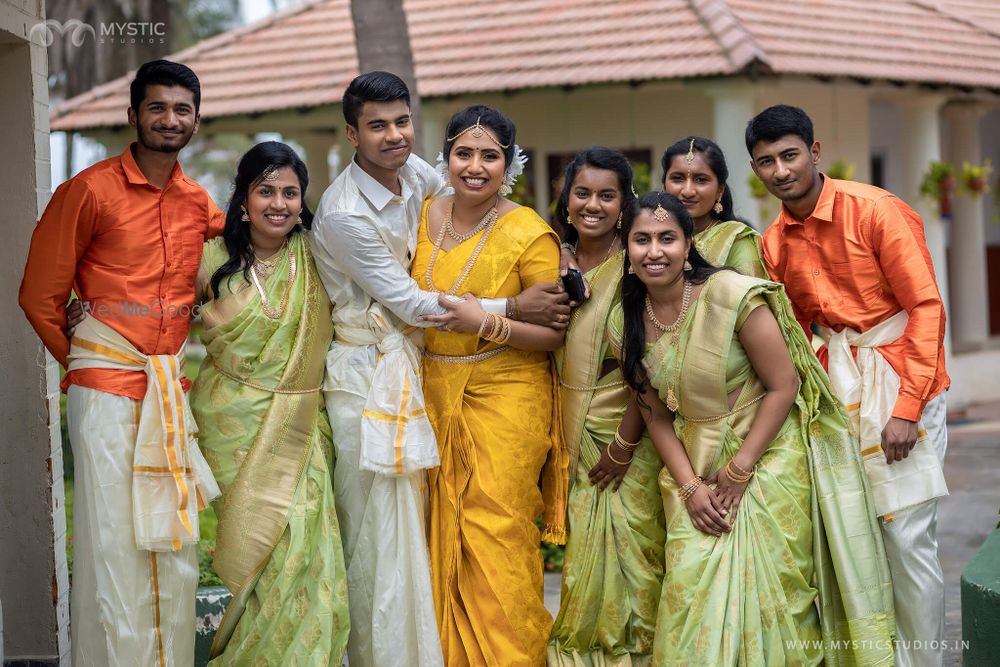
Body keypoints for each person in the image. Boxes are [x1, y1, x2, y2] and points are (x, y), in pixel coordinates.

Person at [310, 73, 567, 666]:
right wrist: (506, 307)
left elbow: (550, 321)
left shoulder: (427, 184)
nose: (394, 135)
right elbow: (409, 301)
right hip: (382, 376)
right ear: (352, 133)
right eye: (377, 125)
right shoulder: (347, 214)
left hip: (481, 388)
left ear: (511, 163)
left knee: (489, 532)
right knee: (395, 537)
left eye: (402, 123)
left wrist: (510, 313)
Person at [611, 192, 896, 666]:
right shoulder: (626, 321)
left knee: (776, 601)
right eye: (641, 240)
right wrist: (689, 488)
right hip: (695, 465)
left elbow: (784, 385)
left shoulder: (731, 295)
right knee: (687, 596)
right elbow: (656, 415)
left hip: (766, 457)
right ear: (627, 248)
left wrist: (741, 469)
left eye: (667, 238)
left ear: (688, 245)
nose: (654, 251)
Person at [19, 60, 222, 666]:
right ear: (132, 115)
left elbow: (247, 255)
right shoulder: (88, 190)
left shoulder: (197, 203)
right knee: (112, 544)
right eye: (157, 107)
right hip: (106, 390)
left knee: (173, 544)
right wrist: (87, 359)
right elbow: (38, 296)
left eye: (182, 109)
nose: (170, 119)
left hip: (168, 389)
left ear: (195, 118)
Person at [747, 104, 950, 667]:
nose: (780, 170)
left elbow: (926, 308)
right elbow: (793, 331)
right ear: (756, 170)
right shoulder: (773, 243)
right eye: (766, 162)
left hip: (901, 381)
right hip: (836, 397)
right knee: (855, 541)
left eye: (789, 155)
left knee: (908, 541)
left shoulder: (876, 210)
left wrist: (907, 408)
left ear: (813, 153)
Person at [410, 104, 568, 666]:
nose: (475, 167)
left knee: (496, 533)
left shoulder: (529, 233)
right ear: (446, 157)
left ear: (510, 164)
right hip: (430, 393)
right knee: (433, 531)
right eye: (464, 153)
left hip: (506, 394)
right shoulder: (421, 215)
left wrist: (489, 323)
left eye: (490, 156)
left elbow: (553, 334)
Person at [189, 142, 350, 664]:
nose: (278, 203)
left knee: (306, 542)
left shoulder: (320, 253)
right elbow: (154, 313)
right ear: (243, 199)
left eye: (290, 192)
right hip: (230, 424)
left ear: (303, 201)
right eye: (266, 191)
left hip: (301, 422)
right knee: (253, 550)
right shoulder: (210, 258)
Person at [546, 147, 665, 664]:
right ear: (566, 198)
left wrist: (622, 445)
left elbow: (650, 368)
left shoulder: (636, 267)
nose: (593, 204)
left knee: (635, 561)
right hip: (569, 429)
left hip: (625, 437)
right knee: (584, 565)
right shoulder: (549, 257)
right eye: (583, 192)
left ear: (625, 203)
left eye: (607, 195)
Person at [662, 135, 767, 277]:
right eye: (677, 178)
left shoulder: (736, 242)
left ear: (719, 190)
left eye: (700, 180)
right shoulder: (650, 240)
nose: (687, 191)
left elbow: (749, 297)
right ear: (664, 185)